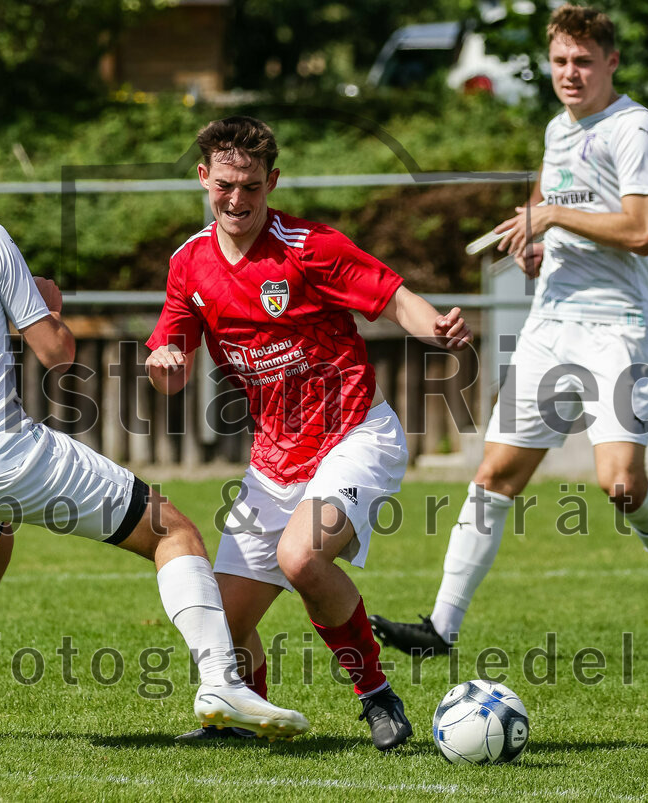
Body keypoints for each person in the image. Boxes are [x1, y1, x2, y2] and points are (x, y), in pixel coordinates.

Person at [0, 132, 310, 741]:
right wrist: (43, 305)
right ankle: (222, 680)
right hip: (6, 457)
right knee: (174, 530)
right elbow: (57, 353)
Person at [370, 6, 648, 662]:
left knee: (621, 485)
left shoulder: (635, 128)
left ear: (611, 62)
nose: (570, 73)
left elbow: (642, 230)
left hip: (616, 329)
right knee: (495, 471)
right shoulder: (559, 128)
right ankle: (441, 626)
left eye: (583, 61)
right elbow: (544, 206)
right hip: (550, 324)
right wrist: (532, 243)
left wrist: (554, 214)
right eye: (560, 61)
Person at [145, 116, 473, 750]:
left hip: (355, 434)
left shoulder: (307, 246)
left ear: (272, 182)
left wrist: (433, 327)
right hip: (274, 462)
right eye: (223, 186)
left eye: (250, 187)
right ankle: (248, 714)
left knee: (301, 556)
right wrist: (164, 364)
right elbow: (171, 372)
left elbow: (394, 295)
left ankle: (375, 693)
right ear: (202, 179)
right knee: (221, 629)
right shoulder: (189, 265)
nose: (236, 200)